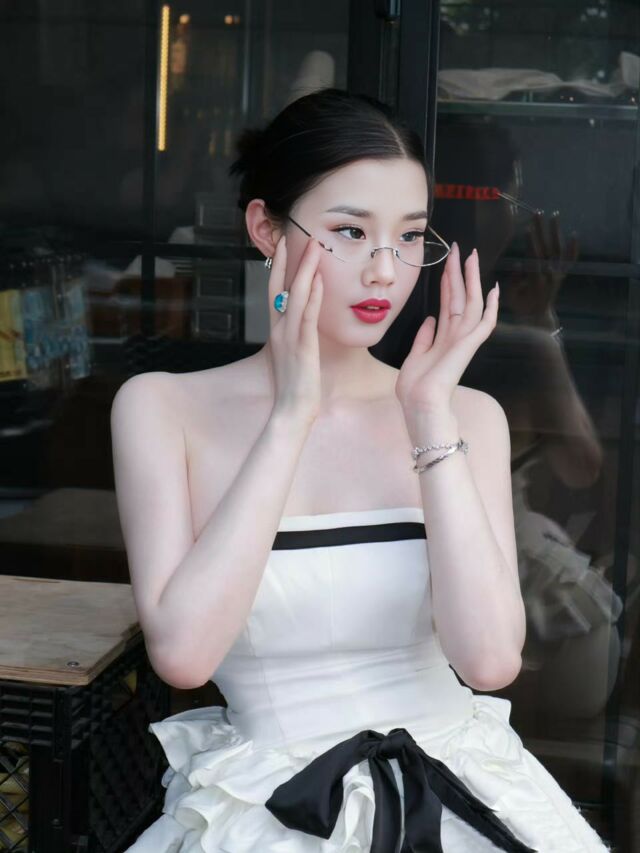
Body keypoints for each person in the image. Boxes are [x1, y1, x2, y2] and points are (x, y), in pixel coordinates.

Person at [112, 88, 612, 852]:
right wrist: (291, 416)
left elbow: (489, 660)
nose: (386, 270)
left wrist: (429, 416)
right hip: (269, 803)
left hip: (462, 785)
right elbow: (183, 654)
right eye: (351, 231)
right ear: (265, 228)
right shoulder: (161, 408)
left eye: (409, 236)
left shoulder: (466, 414)